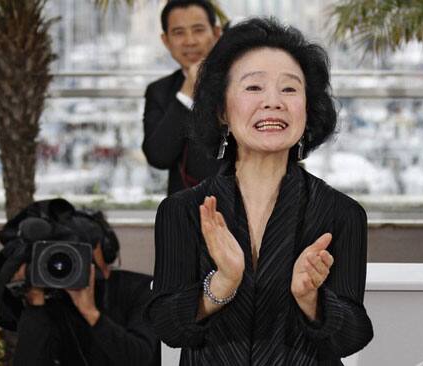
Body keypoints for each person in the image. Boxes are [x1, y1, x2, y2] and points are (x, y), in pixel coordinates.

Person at [145, 18, 374, 365]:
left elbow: (353, 336)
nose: (273, 102)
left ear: (308, 109)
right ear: (222, 110)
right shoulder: (182, 210)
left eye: (289, 89)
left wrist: (310, 299)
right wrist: (221, 284)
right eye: (254, 88)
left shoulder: (342, 213)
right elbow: (166, 327)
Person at [0, 199, 160, 366]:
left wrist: (91, 313)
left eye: (77, 251)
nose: (64, 265)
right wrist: (35, 304)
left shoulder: (142, 289)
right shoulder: (54, 301)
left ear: (103, 249)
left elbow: (141, 357)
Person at [142, 0, 222, 195]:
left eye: (198, 30)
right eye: (179, 33)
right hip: (184, 214)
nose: (190, 41)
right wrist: (187, 94)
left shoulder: (241, 84)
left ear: (216, 34)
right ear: (166, 41)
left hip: (242, 211)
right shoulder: (158, 91)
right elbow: (158, 157)